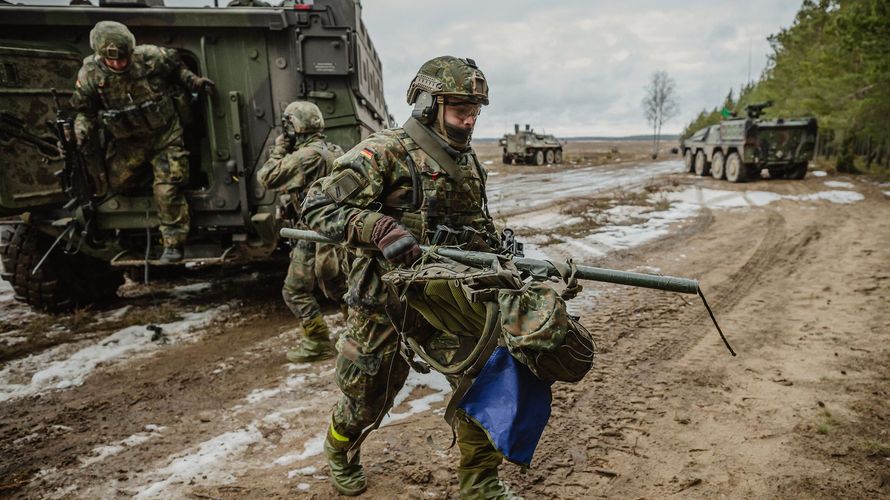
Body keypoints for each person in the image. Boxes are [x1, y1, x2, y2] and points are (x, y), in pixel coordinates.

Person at [302, 56, 519, 498]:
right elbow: (318, 207)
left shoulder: (467, 162)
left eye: (476, 110)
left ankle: (481, 485)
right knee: (366, 397)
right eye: (461, 109)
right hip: (385, 304)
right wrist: (377, 228)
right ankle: (340, 450)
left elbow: (474, 225)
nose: (470, 119)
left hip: (449, 300)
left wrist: (500, 245)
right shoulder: (385, 151)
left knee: (486, 378)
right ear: (427, 104)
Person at [70, 21, 214, 263]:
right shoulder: (90, 74)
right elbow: (84, 110)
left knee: (168, 190)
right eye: (112, 60)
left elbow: (178, 68)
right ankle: (129, 234)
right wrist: (81, 130)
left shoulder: (151, 57)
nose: (118, 64)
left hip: (165, 136)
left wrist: (193, 82)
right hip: (129, 143)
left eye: (123, 58)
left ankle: (173, 244)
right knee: (118, 185)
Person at [257, 101, 346, 362]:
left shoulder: (308, 155)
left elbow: (268, 177)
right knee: (340, 286)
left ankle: (317, 342)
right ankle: (360, 335)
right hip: (332, 230)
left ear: (296, 127)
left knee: (294, 290)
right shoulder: (332, 149)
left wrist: (278, 150)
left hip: (312, 234)